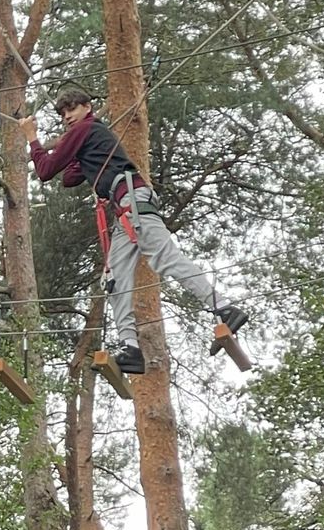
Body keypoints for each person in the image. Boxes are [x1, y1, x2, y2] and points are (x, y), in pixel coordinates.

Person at [21, 89, 249, 376]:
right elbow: (68, 178)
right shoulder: (88, 136)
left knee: (166, 259)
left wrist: (32, 137)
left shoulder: (87, 127)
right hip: (124, 211)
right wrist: (77, 155)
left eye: (72, 109)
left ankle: (224, 308)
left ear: (87, 108)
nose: (67, 117)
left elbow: (45, 170)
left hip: (132, 202)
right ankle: (131, 348)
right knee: (114, 280)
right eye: (63, 113)